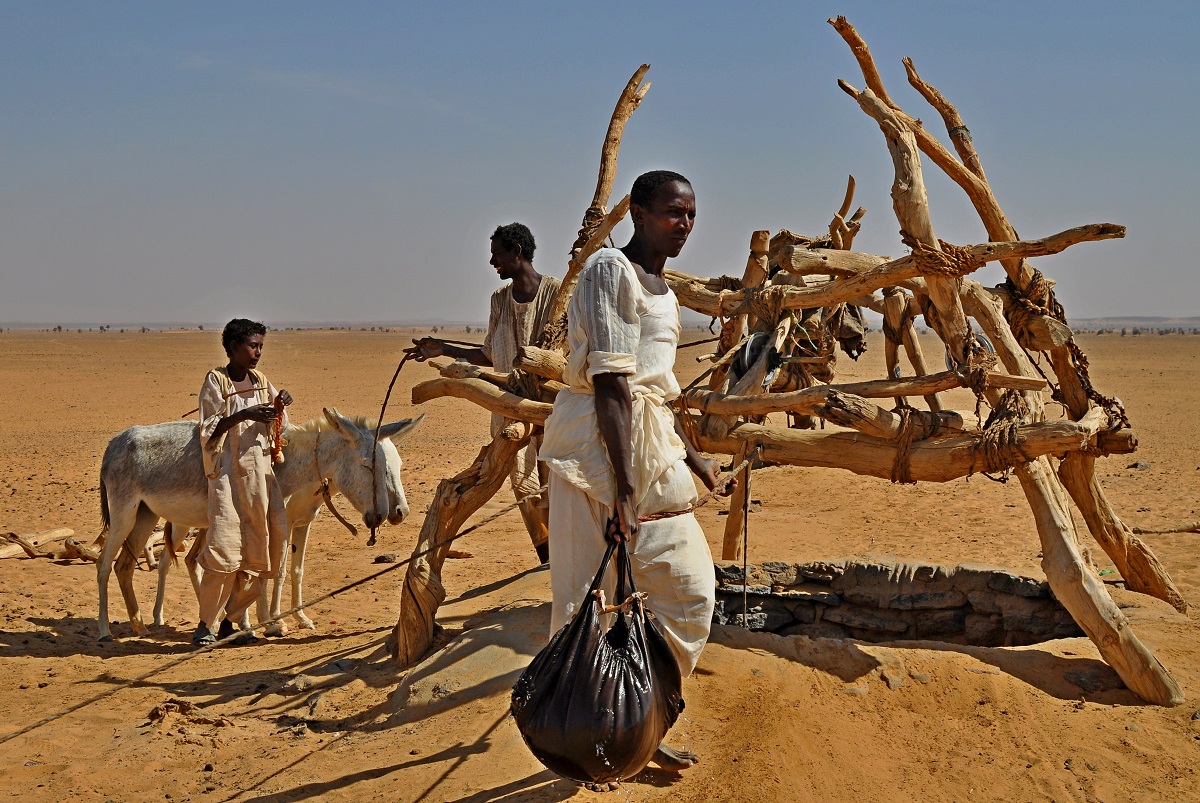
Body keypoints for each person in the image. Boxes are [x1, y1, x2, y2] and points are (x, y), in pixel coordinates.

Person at [538, 170, 730, 788]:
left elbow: (654, 391)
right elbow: (612, 383)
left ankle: (640, 728)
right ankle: (593, 743)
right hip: (599, 456)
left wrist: (691, 457)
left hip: (649, 449)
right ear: (639, 214)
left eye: (692, 214)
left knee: (689, 593)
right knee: (586, 606)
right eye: (674, 212)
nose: (686, 224)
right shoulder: (607, 272)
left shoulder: (665, 291)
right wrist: (622, 486)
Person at [406, 223, 561, 563]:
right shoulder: (498, 300)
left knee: (561, 483)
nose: (493, 262)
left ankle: (570, 554)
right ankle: (548, 558)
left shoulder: (558, 294)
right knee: (524, 485)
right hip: (508, 409)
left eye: (497, 255)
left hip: (554, 406)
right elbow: (490, 354)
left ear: (516, 252)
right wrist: (442, 348)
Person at [194, 319, 293, 646]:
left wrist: (280, 405)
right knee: (223, 551)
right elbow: (208, 429)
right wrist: (244, 416)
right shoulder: (217, 381)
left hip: (260, 479)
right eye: (252, 346)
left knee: (262, 550)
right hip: (226, 478)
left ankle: (231, 622)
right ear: (234, 347)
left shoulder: (261, 381)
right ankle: (205, 626)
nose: (257, 353)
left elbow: (279, 423)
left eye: (261, 346)